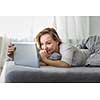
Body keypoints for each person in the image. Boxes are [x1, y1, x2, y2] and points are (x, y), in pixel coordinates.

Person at [8, 27, 91, 68]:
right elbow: (41, 63)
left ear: (57, 41)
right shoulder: (51, 52)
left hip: (88, 55)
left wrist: (45, 59)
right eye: (42, 44)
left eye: (48, 43)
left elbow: (65, 64)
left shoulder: (66, 47)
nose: (44, 47)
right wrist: (14, 56)